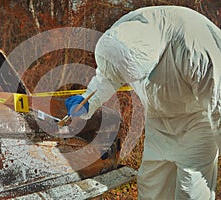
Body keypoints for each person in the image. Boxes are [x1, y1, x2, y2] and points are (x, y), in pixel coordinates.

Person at [65, 6, 221, 200]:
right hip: (158, 121)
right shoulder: (122, 33)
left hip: (198, 121)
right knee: (151, 184)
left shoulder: (197, 47)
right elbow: (109, 75)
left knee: (191, 188)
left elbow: (218, 105)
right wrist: (88, 101)